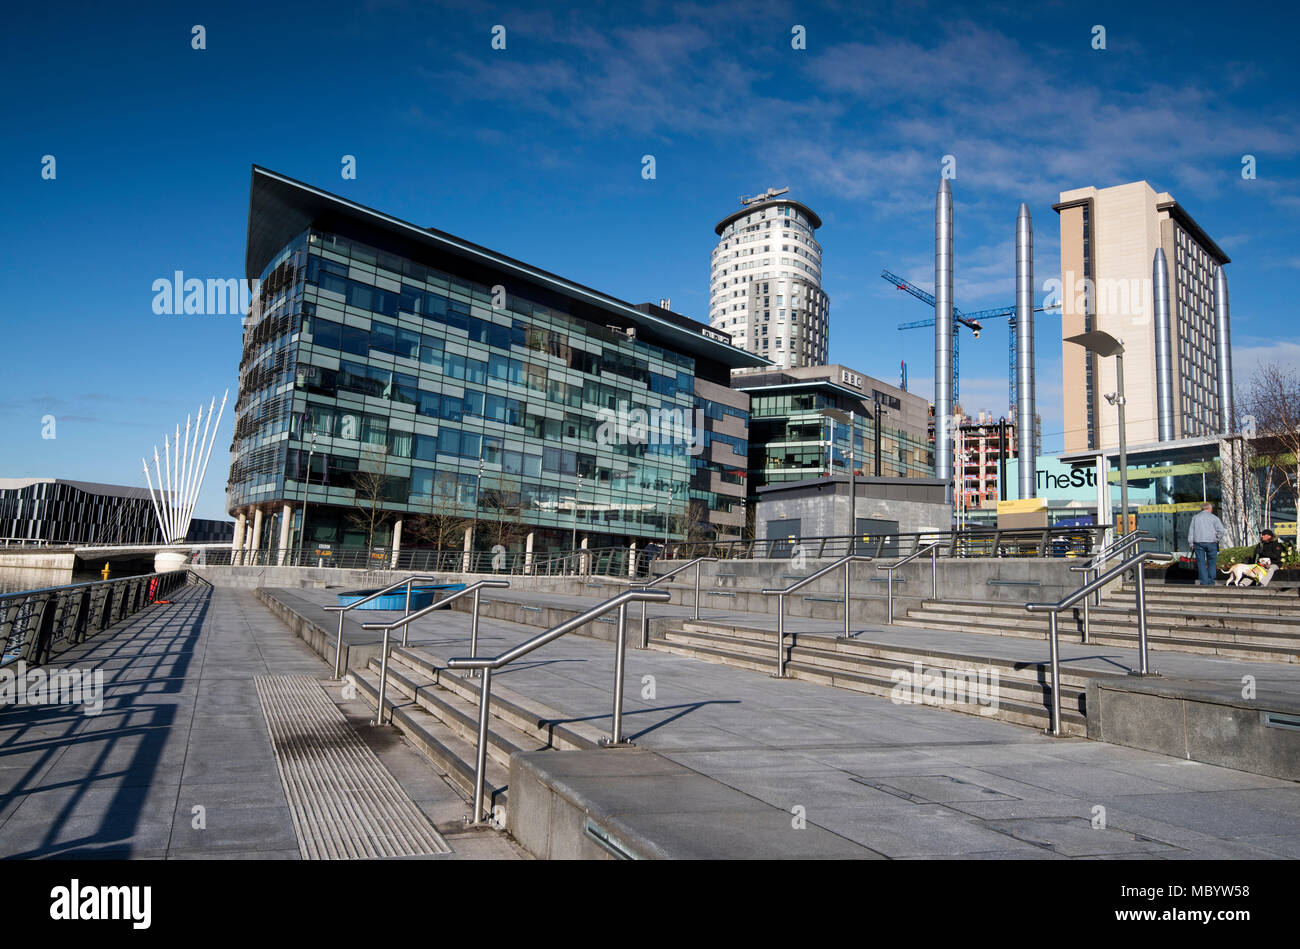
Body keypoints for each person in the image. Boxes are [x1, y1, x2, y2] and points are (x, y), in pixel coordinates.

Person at [1187, 502, 1226, 586]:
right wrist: (1216, 539)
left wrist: (1191, 543)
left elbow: (1191, 532)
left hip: (1198, 542)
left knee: (1201, 563)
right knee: (1212, 562)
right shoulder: (1214, 518)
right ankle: (1211, 581)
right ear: (1210, 509)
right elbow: (1221, 531)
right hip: (1211, 542)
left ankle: (1204, 582)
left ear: (1202, 509)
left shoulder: (1195, 518)